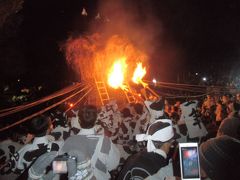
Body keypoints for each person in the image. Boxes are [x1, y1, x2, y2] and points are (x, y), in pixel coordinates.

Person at [60, 105, 120, 180]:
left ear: (78, 120)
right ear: (95, 120)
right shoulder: (106, 141)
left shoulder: (69, 142)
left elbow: (60, 168)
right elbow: (113, 165)